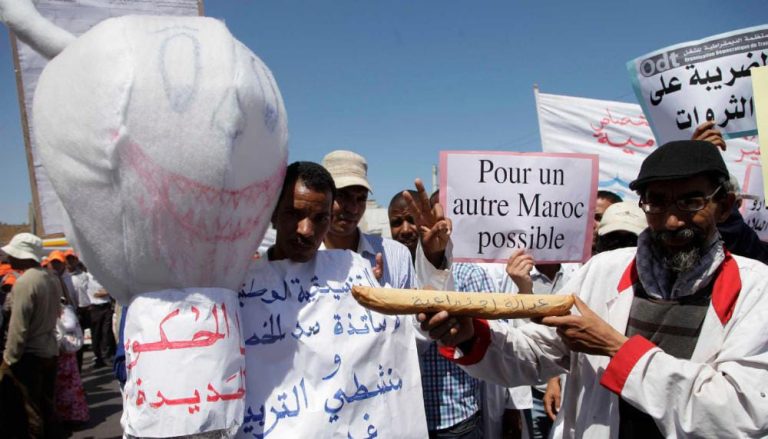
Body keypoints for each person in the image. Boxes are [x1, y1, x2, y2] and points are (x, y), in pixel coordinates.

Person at [421, 140, 768, 437]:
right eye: (657, 202)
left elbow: (741, 413)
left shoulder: (755, 288)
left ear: (724, 206)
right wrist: (469, 336)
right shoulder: (604, 271)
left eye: (691, 202)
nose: (672, 220)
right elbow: (538, 352)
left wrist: (617, 350)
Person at [239, 161, 430, 437]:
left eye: (320, 218)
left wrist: (380, 307)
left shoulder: (353, 275)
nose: (306, 230)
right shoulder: (241, 285)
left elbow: (405, 339)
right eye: (295, 214)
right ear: (273, 214)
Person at [321, 150, 414, 289]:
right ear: (322, 196)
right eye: (342, 196)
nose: (353, 209)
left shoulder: (397, 256)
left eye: (361, 198)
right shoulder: (300, 259)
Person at [1, 233, 62, 436]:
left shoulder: (25, 282)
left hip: (30, 356)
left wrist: (8, 359)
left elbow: (18, 327)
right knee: (47, 407)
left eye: (12, 254)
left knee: (30, 414)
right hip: (50, 350)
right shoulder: (51, 278)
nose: (9, 258)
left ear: (23, 256)